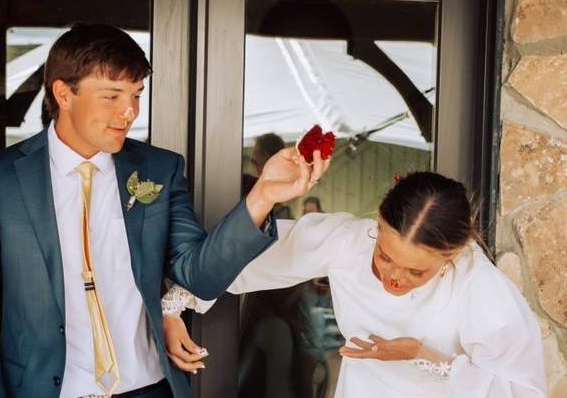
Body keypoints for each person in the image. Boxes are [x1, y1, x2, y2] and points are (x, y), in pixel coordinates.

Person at [0, 23, 319, 398]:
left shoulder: (159, 169)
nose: (129, 111)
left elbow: (199, 275)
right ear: (63, 93)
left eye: (137, 94)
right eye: (112, 96)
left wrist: (262, 197)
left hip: (147, 390)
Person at [163, 171, 546, 398]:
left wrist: (423, 355)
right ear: (376, 227)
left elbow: (523, 392)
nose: (395, 277)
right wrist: (175, 304)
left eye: (417, 273)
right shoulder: (347, 241)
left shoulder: (480, 287)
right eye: (385, 256)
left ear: (452, 255)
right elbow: (248, 258)